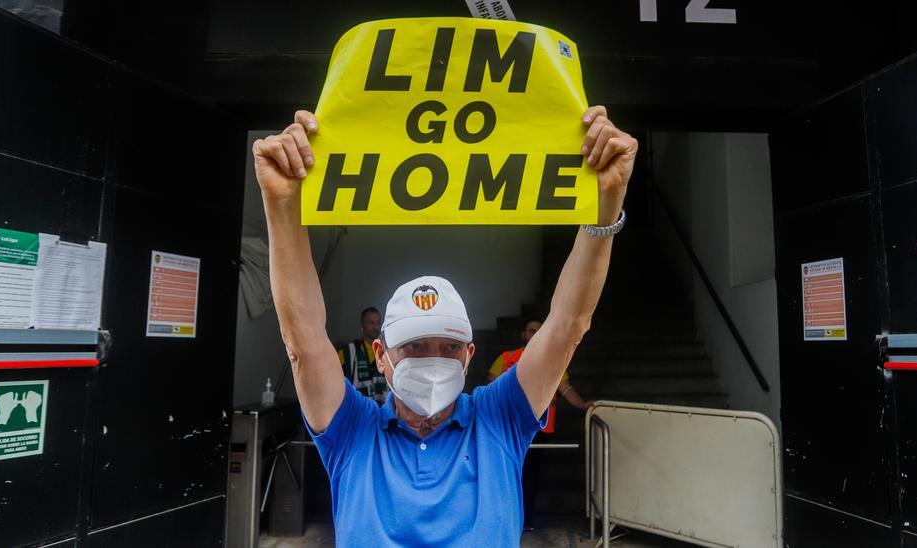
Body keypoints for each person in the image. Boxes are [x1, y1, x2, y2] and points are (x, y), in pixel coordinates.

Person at [253, 104, 637, 545]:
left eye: (449, 346)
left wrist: (606, 205)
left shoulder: (499, 417)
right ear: (381, 355)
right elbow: (303, 341)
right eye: (414, 347)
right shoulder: (351, 431)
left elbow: (568, 325)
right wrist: (282, 206)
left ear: (470, 354)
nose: (434, 358)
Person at [487, 318, 593, 530]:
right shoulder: (506, 358)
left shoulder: (555, 361)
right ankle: (505, 519)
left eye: (539, 331)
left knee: (531, 474)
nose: (534, 334)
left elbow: (566, 389)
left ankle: (525, 520)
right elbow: (489, 388)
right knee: (506, 473)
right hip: (507, 428)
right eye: (531, 331)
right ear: (524, 335)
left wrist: (582, 405)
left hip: (539, 430)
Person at [335, 306, 388, 403]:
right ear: (361, 325)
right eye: (371, 323)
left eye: (378, 323)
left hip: (384, 412)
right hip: (359, 411)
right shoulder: (348, 352)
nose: (375, 327)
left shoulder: (388, 350)